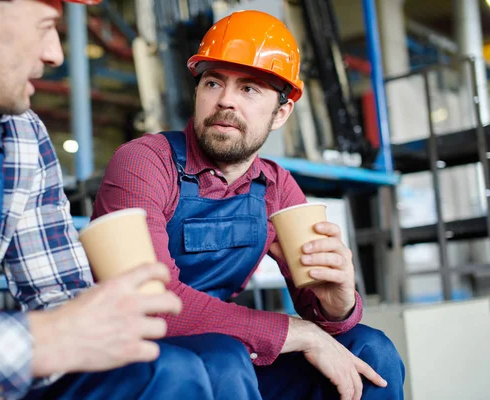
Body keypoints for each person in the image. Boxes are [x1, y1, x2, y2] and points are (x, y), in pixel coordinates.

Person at [0, 1, 262, 399]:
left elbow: (60, 294)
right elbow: (49, 337)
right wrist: (36, 343)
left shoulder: (19, 135)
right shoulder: (147, 159)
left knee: (176, 369)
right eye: (47, 26)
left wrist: (103, 321)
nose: (54, 54)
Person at [93, 9, 406, 400]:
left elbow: (322, 317)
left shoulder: (275, 186)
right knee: (223, 357)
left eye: (250, 89)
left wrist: (338, 304)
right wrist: (295, 332)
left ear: (281, 113)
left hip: (224, 352)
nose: (225, 101)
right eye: (212, 83)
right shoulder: (144, 161)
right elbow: (148, 305)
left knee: (370, 350)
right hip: (143, 358)